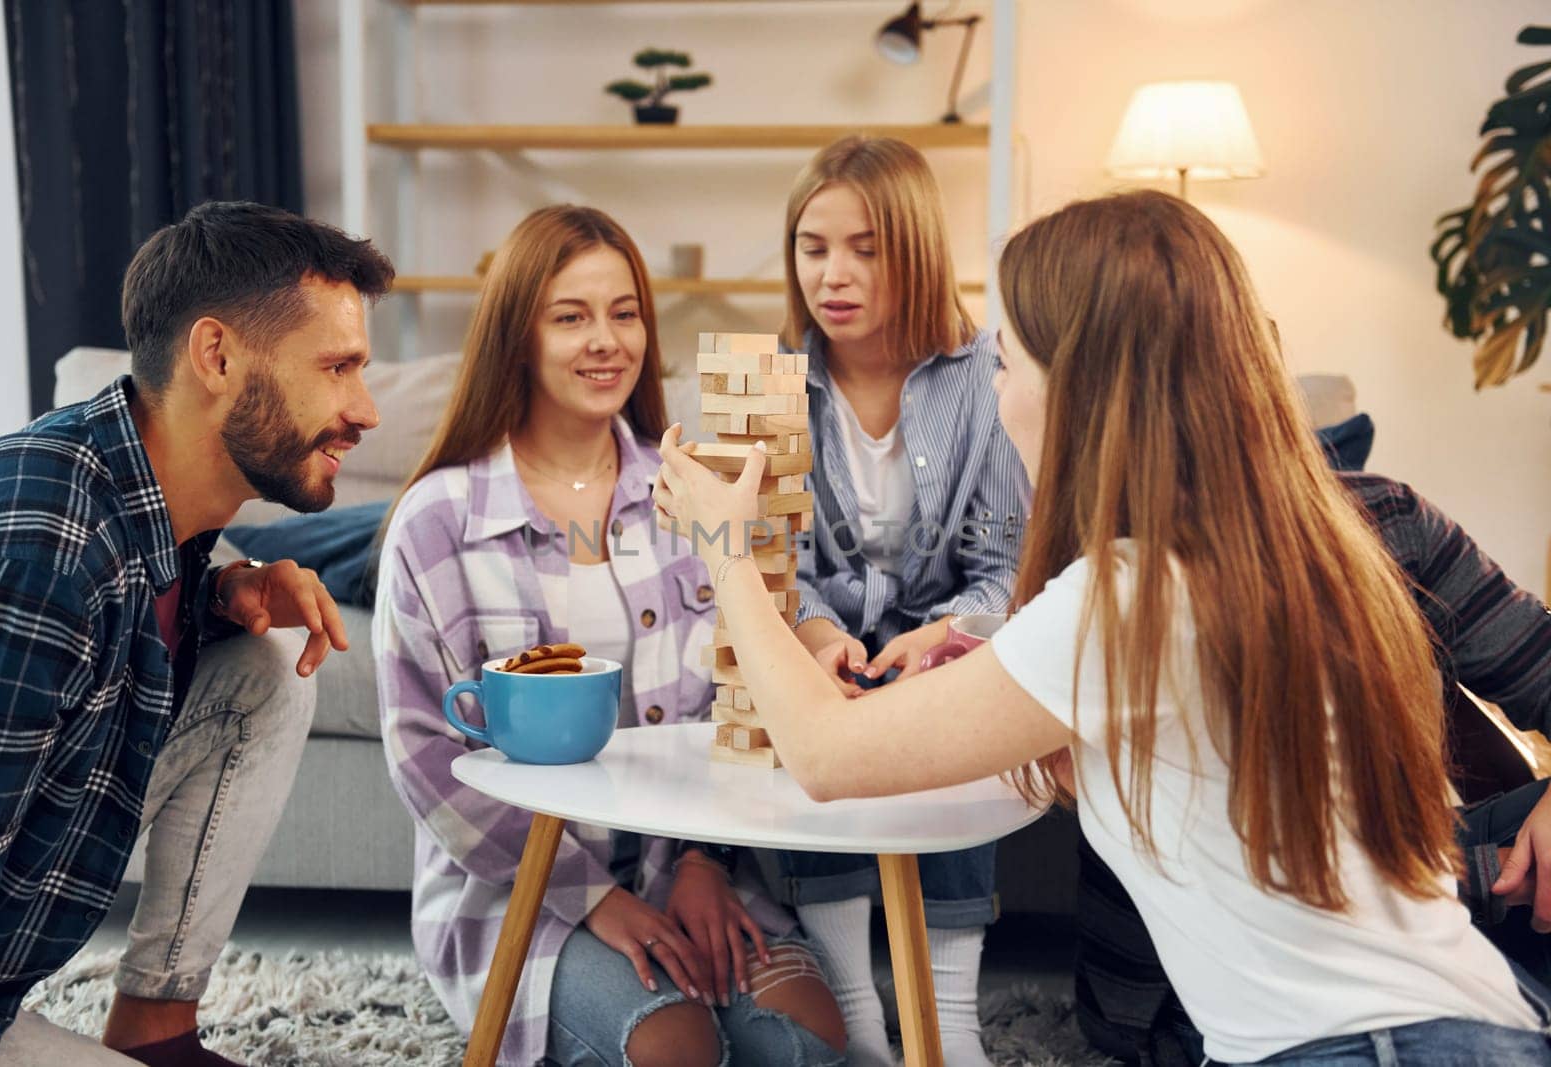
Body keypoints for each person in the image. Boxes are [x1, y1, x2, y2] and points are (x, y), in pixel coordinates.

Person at [654, 189, 1551, 1065]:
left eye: (1006, 365)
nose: (993, 392)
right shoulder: (1293, 547)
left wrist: (729, 550)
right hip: (1467, 1019)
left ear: (1077, 388)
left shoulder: (1134, 595)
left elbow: (825, 754)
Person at [372, 205, 845, 1067]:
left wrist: (703, 859)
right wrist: (593, 899)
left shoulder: (688, 495)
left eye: (624, 313)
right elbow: (424, 758)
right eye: (571, 316)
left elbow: (735, 700)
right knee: (678, 1045)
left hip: (689, 867)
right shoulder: (436, 521)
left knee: (807, 1042)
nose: (606, 341)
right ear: (518, 334)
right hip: (521, 895)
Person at [0, 201, 390, 1066]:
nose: (366, 410)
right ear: (216, 355)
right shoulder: (43, 543)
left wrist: (225, 589)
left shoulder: (150, 497)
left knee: (266, 671)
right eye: (338, 367)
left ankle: (158, 1028)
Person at [1075, 467, 1551, 1065]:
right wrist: (1494, 873)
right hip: (1220, 974)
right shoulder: (1135, 576)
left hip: (1415, 879)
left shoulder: (1386, 517)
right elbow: (1270, 895)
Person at [776, 134, 1030, 1067]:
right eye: (813, 247)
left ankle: (949, 1022)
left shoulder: (987, 377)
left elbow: (1007, 562)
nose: (833, 275)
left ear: (915, 249)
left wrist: (949, 635)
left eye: (866, 247)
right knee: (812, 705)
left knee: (957, 702)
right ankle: (859, 1019)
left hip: (948, 647)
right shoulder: (775, 382)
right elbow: (774, 555)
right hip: (825, 650)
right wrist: (812, 632)